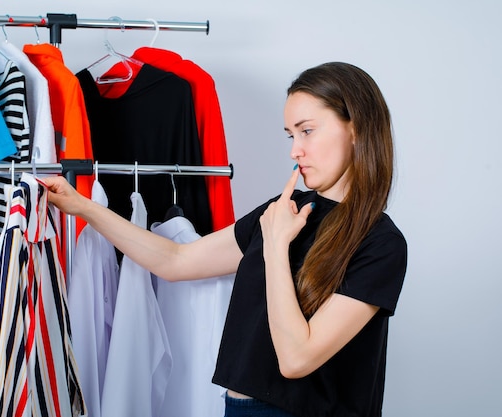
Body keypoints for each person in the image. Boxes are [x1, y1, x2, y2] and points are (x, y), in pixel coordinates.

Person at [43, 61, 407, 417]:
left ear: (356, 128)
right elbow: (176, 260)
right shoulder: (284, 211)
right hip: (238, 408)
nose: (295, 150)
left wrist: (277, 247)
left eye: (307, 131)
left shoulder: (380, 243)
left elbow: (297, 359)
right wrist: (82, 207)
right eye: (290, 135)